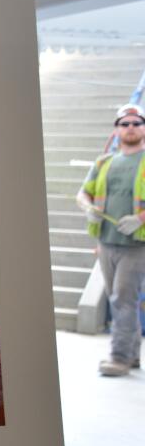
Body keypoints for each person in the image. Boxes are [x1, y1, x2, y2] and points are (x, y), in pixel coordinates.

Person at [77, 103, 145, 377]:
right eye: (124, 124)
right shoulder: (104, 163)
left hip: (137, 246)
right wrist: (88, 208)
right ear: (116, 130)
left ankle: (119, 358)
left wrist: (140, 219)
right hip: (106, 243)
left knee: (122, 299)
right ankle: (132, 355)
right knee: (122, 300)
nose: (131, 127)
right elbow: (83, 193)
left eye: (136, 123)